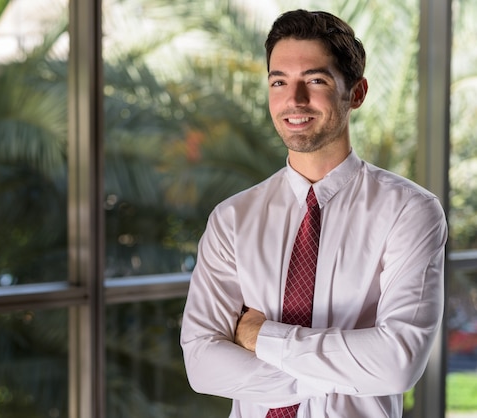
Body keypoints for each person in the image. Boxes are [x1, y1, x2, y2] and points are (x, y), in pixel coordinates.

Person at [180, 9, 447, 418]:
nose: (294, 100)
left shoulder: (409, 211)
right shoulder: (232, 219)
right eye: (279, 82)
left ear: (356, 93)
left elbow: (399, 362)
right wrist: (329, 375)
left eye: (316, 80)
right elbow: (201, 363)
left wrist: (260, 336)